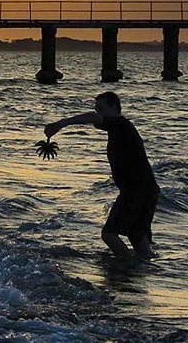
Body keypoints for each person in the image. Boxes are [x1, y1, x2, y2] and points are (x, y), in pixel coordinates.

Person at [44, 91, 159, 259]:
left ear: (114, 108)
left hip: (136, 191)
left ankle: (127, 267)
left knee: (109, 235)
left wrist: (61, 124)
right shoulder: (121, 129)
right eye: (96, 109)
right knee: (136, 236)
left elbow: (93, 117)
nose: (98, 113)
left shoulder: (119, 124)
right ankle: (142, 271)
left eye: (102, 109)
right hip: (146, 190)